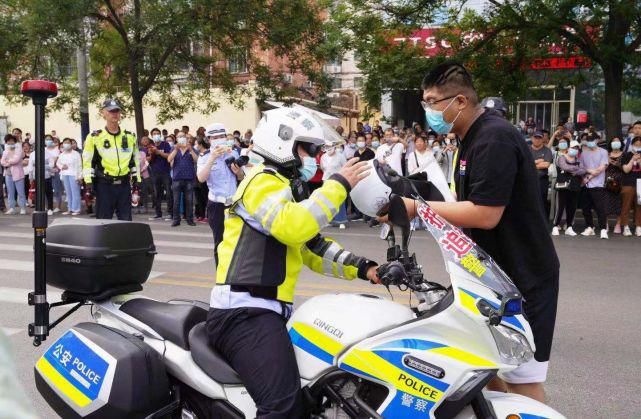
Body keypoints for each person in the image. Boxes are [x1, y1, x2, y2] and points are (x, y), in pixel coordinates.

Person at [205, 107, 378, 417]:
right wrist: (338, 184)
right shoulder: (260, 182)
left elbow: (311, 247)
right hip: (243, 313)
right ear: (282, 142)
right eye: (308, 148)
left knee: (321, 393)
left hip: (266, 312)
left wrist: (368, 268)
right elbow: (294, 225)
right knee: (282, 409)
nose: (314, 157)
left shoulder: (284, 190)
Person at [404, 62, 559, 402]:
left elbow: (485, 214)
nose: (428, 110)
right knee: (486, 371)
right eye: (425, 102)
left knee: (523, 380)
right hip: (491, 275)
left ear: (459, 101)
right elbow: (463, 205)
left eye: (433, 101)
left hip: (523, 275)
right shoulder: (468, 139)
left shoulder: (493, 138)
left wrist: (415, 209)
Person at [82, 99, 141, 221]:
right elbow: (88, 161)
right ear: (103, 113)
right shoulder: (94, 137)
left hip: (124, 185)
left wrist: (137, 180)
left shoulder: (130, 136)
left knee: (125, 221)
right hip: (104, 185)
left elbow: (134, 160)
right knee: (104, 222)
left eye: (117, 111)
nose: (114, 114)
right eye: (111, 111)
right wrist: (88, 183)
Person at [197, 123, 244, 264]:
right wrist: (212, 159)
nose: (219, 139)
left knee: (238, 241)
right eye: (215, 137)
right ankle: (221, 279)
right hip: (217, 205)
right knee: (220, 242)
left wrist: (238, 172)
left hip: (235, 203)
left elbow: (241, 177)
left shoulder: (233, 153)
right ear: (209, 139)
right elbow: (201, 178)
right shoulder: (204, 157)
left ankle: (236, 277)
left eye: (221, 136)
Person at [551, 140, 585, 236]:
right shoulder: (561, 157)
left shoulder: (578, 160)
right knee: (560, 207)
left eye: (577, 148)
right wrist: (576, 169)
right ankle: (555, 226)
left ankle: (569, 226)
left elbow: (583, 170)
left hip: (574, 186)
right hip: (563, 186)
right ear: (568, 148)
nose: (575, 150)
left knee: (572, 207)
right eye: (573, 147)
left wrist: (576, 171)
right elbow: (564, 167)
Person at [579, 137, 609, 239]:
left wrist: (589, 176)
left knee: (600, 208)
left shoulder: (603, 152)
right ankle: (590, 227)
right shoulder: (584, 153)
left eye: (592, 140)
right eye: (588, 141)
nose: (590, 143)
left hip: (598, 184)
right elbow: (581, 168)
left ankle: (603, 229)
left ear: (597, 140)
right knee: (585, 208)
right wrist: (587, 175)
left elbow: (602, 167)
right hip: (586, 184)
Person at [168, 132, 198, 227]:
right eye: (179, 136)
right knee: (176, 200)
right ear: (176, 139)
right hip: (177, 178)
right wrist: (176, 150)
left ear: (186, 138)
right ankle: (176, 220)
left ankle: (190, 219)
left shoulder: (191, 148)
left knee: (189, 200)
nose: (181, 138)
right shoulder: (174, 148)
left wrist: (191, 150)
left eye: (183, 136)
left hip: (189, 178)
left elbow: (197, 160)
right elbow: (169, 159)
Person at [148, 128, 173, 220]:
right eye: (154, 134)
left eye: (158, 133)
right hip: (155, 173)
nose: (156, 135)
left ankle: (170, 213)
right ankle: (158, 213)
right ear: (151, 135)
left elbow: (169, 156)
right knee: (157, 193)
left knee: (169, 193)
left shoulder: (165, 144)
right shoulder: (150, 146)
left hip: (165, 172)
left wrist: (158, 152)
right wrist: (151, 154)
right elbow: (148, 160)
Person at [321, 144, 348, 228]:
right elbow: (323, 168)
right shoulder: (323, 156)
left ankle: (341, 221)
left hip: (338, 180)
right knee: (327, 201)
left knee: (339, 200)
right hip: (327, 180)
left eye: (330, 146)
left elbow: (346, 167)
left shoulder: (340, 156)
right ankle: (330, 220)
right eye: (326, 146)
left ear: (334, 147)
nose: (328, 148)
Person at [619, 136, 641, 236]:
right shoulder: (626, 155)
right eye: (636, 145)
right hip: (628, 183)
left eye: (640, 145)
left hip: (640, 183)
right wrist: (633, 159)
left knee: (639, 205)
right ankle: (626, 226)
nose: (638, 147)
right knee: (626, 205)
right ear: (632, 145)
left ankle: (638, 226)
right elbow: (626, 170)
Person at [1, 134, 27, 215]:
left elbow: (17, 159)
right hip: (8, 174)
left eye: (12, 141)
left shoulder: (19, 149)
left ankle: (22, 207)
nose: (10, 142)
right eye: (8, 141)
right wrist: (7, 163)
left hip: (18, 173)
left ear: (14, 141)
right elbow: (2, 161)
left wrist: (8, 161)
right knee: (10, 192)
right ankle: (12, 208)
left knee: (20, 192)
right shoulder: (5, 151)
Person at [56, 138, 82, 215]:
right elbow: (58, 163)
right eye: (64, 143)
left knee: (75, 192)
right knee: (68, 192)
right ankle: (70, 208)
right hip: (65, 174)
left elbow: (79, 165)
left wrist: (79, 176)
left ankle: (76, 209)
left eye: (68, 142)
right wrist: (61, 166)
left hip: (74, 174)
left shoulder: (76, 154)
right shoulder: (62, 154)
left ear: (71, 144)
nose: (66, 144)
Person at [530, 131, 553, 214]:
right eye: (535, 138)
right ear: (532, 138)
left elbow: (546, 164)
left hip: (541, 180)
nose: (537, 140)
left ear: (543, 139)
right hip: (528, 180)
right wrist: (538, 161)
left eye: (539, 138)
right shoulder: (526, 149)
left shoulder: (547, 151)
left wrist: (531, 163)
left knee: (542, 202)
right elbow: (523, 164)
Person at [606, 138, 624, 233]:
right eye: (613, 141)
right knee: (606, 202)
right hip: (607, 181)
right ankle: (606, 224)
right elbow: (601, 166)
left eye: (617, 141)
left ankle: (618, 224)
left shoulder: (624, 155)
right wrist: (607, 163)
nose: (615, 143)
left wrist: (618, 165)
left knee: (619, 203)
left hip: (620, 181)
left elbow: (626, 168)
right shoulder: (606, 154)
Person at [137, 136, 154, 214]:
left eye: (146, 139)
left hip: (146, 174)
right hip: (136, 175)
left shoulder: (149, 149)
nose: (144, 141)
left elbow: (147, 161)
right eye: (143, 139)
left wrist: (142, 170)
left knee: (145, 191)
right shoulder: (136, 152)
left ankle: (146, 207)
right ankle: (138, 207)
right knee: (137, 192)